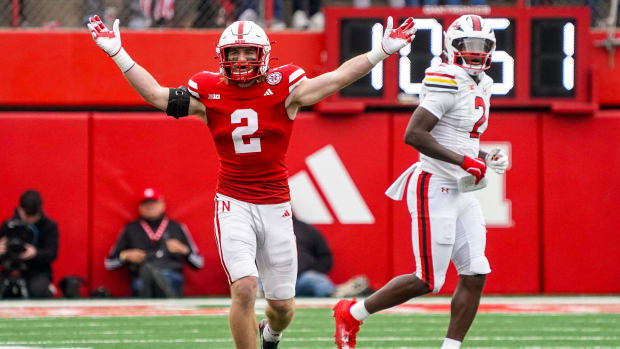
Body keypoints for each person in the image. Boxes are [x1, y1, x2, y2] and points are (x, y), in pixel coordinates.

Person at [87, 14, 415, 348]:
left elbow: (337, 78)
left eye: (248, 52)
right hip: (233, 202)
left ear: (264, 55)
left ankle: (271, 333)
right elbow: (157, 96)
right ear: (222, 56)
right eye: (235, 52)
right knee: (244, 287)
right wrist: (118, 53)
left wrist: (381, 51)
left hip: (276, 205)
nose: (241, 59)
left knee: (283, 308)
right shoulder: (210, 91)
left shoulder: (285, 87)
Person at [333, 15, 510, 349]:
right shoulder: (447, 78)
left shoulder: (482, 82)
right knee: (428, 279)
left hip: (461, 189)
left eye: (482, 46)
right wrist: (464, 161)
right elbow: (413, 134)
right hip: (434, 185)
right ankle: (352, 313)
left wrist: (485, 156)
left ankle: (450, 347)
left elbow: (461, 139)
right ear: (452, 46)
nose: (475, 52)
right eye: (468, 45)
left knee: (475, 272)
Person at [104, 187, 204, 297]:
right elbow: (109, 263)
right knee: (142, 278)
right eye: (145, 203)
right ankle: (155, 283)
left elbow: (199, 263)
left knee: (166, 279)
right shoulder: (130, 229)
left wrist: (184, 250)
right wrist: (125, 255)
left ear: (162, 205)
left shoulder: (177, 227)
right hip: (140, 276)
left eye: (153, 202)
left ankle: (159, 284)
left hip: (171, 275)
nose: (149, 206)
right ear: (140, 207)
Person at [0, 190, 58, 298]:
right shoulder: (8, 226)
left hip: (37, 271)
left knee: (38, 291)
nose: (30, 220)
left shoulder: (49, 226)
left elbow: (52, 253)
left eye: (33, 216)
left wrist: (36, 253)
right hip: (9, 271)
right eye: (27, 216)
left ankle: (47, 289)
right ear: (20, 210)